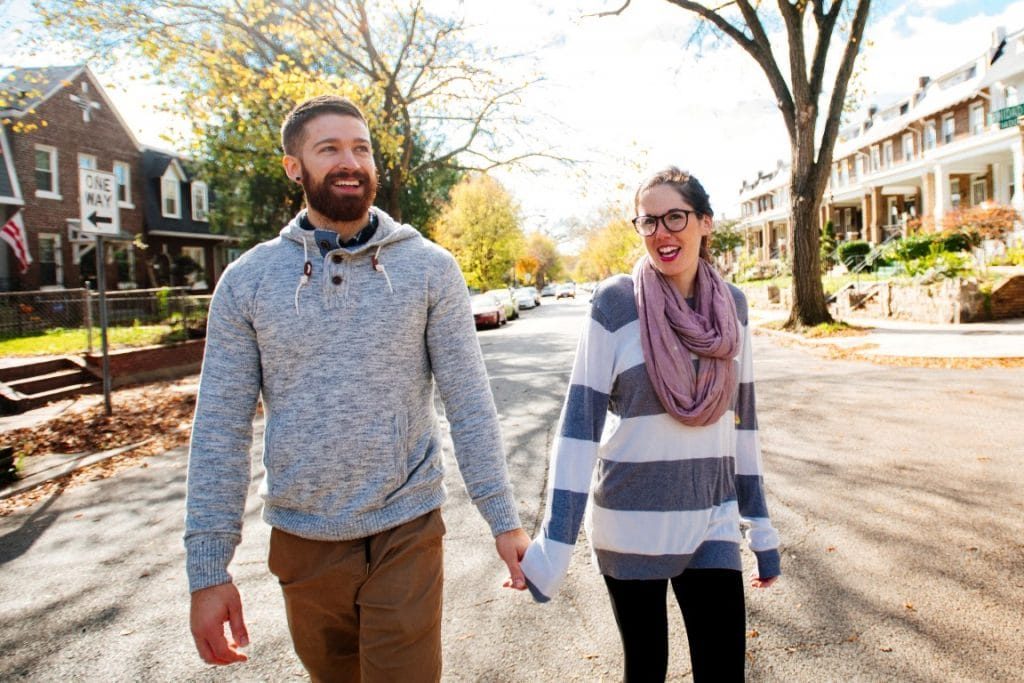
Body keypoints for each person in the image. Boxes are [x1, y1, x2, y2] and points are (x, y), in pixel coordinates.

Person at [185, 94, 530, 681]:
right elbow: (220, 428)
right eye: (329, 149)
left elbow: (469, 403)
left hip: (407, 525)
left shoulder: (429, 268)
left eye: (361, 149)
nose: (350, 162)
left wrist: (504, 519)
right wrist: (209, 571)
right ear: (294, 167)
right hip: (303, 537)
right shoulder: (248, 282)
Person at [515, 167, 781, 682]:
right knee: (646, 670)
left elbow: (743, 422)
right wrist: (552, 547)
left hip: (711, 516)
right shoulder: (616, 303)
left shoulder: (734, 308)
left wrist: (760, 528)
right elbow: (580, 424)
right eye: (648, 221)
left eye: (675, 217)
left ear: (705, 222)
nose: (661, 232)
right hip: (631, 519)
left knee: (724, 672)